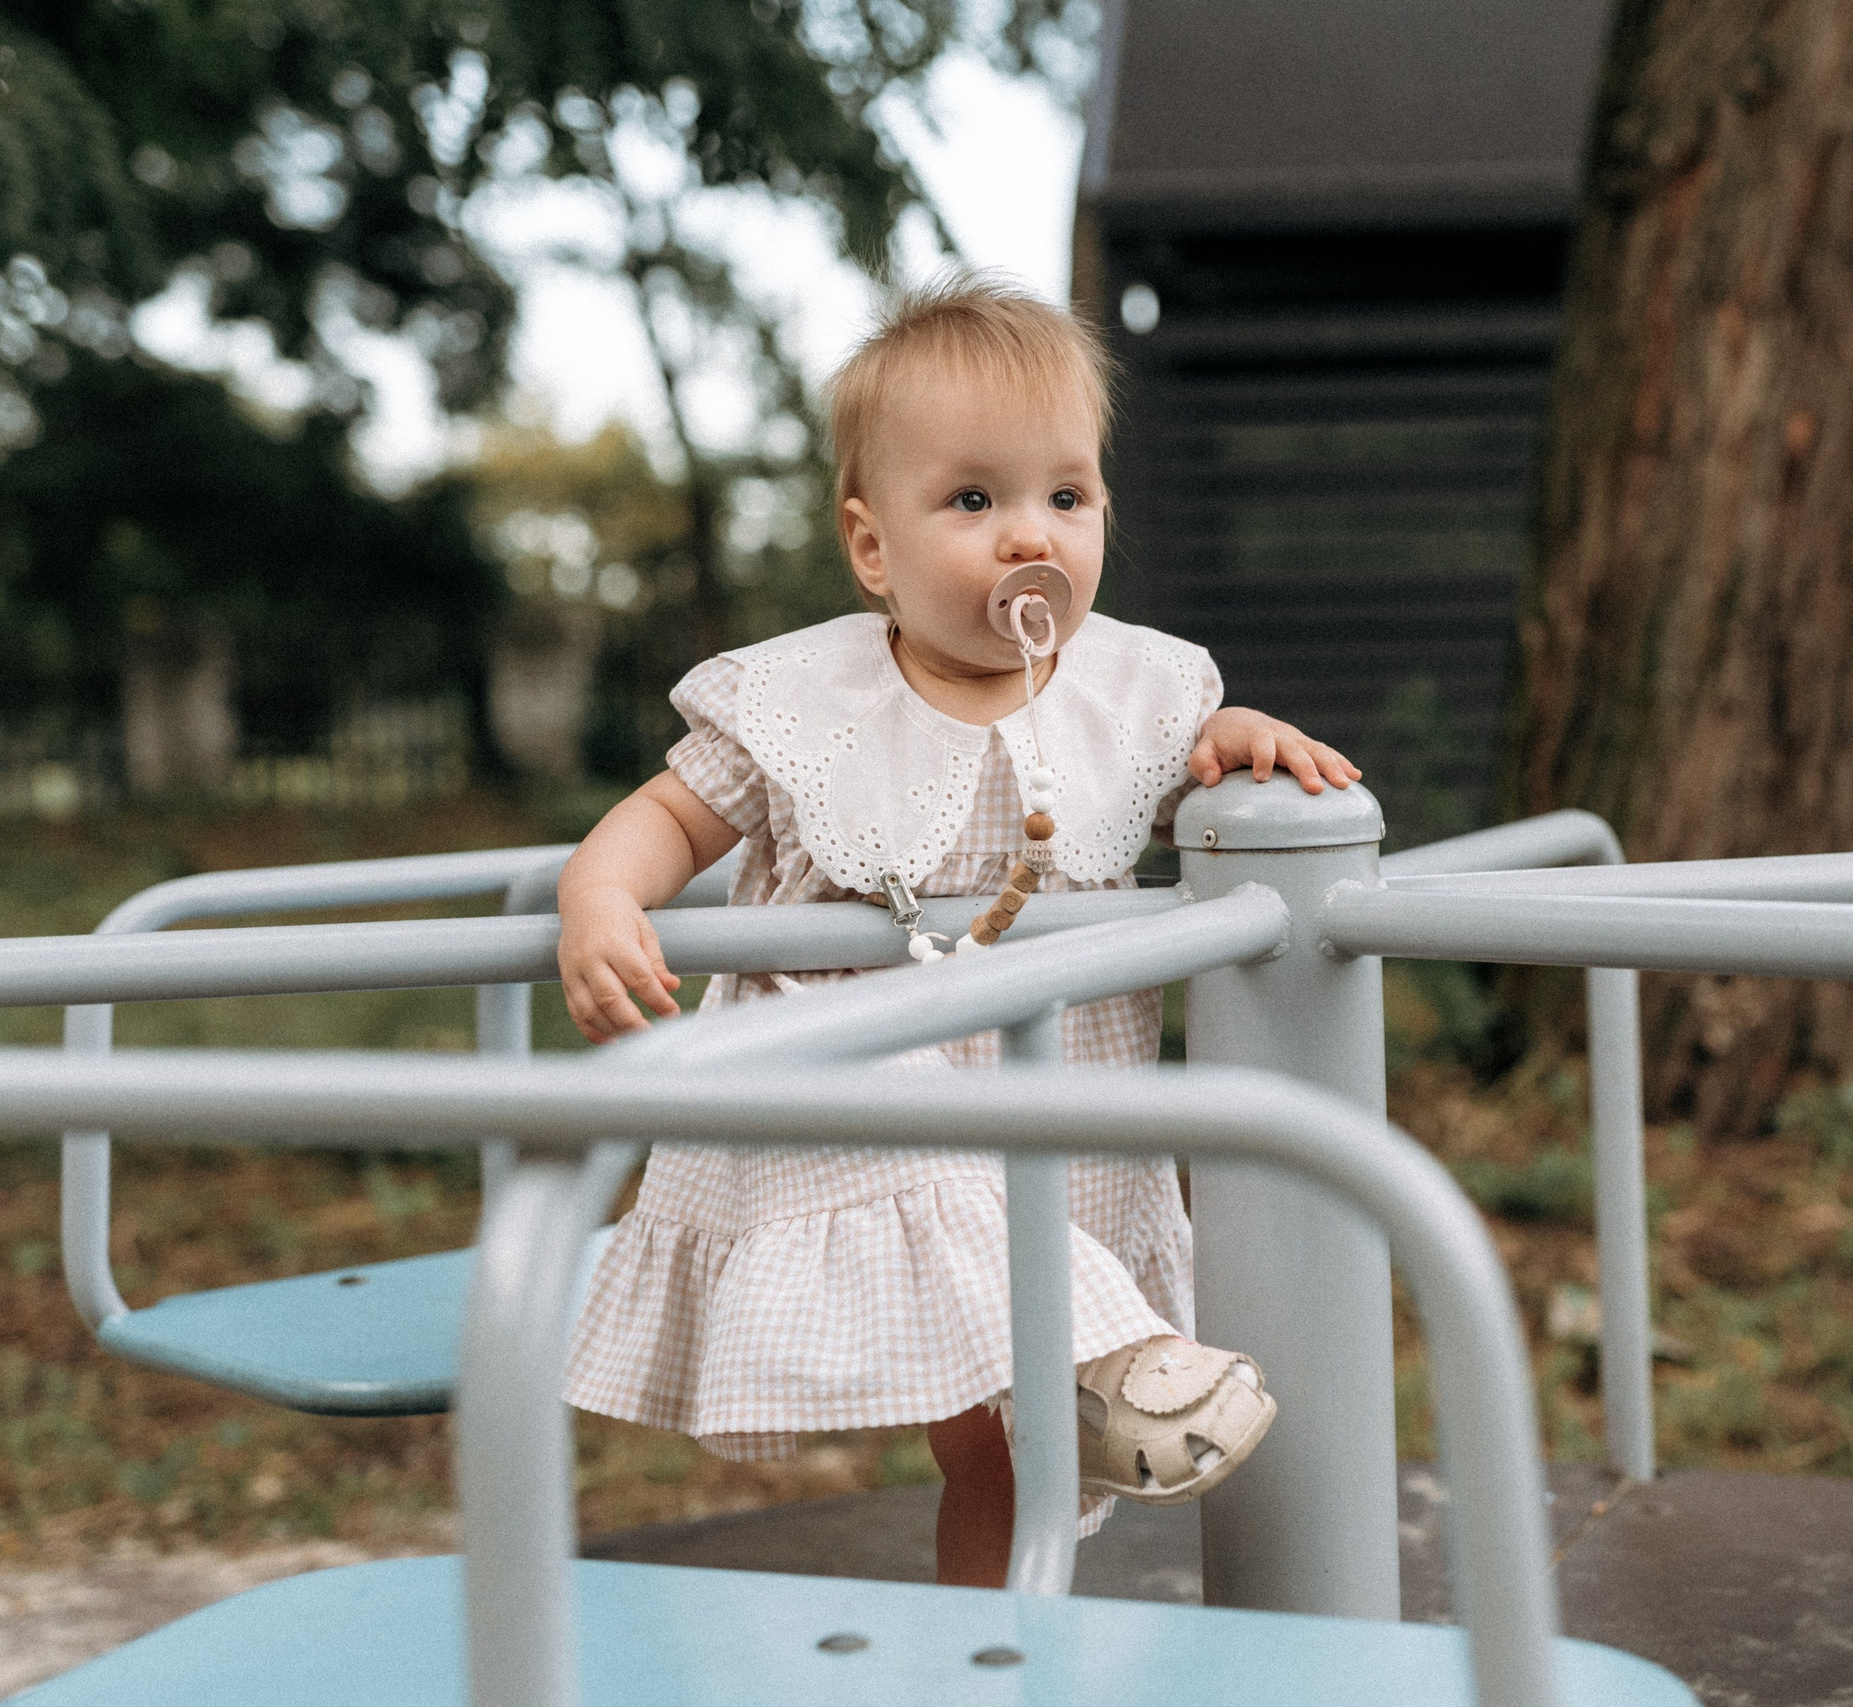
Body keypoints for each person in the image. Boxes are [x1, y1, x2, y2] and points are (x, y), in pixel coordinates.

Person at [553, 274, 1360, 1588]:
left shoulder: (1136, 694)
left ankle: (1002, 1643)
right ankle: (1106, 1368)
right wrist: (601, 898)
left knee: (1004, 1460)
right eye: (975, 501)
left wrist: (1232, 743)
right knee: (1006, 1364)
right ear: (874, 548)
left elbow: (1187, 785)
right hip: (857, 1104)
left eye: (1067, 496)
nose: (1030, 534)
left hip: (1056, 1120)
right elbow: (667, 817)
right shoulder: (804, 700)